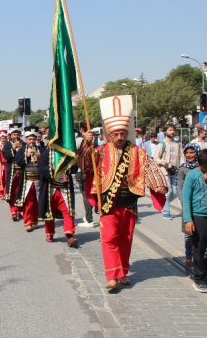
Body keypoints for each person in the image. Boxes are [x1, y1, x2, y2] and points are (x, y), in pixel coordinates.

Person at [78, 95, 168, 291]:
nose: (119, 137)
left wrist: (159, 184)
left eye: (122, 134)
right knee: (109, 238)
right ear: (110, 134)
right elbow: (85, 165)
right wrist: (86, 144)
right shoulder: (100, 151)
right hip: (109, 203)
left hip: (130, 202)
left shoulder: (137, 151)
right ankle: (112, 276)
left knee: (125, 239)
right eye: (116, 134)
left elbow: (150, 167)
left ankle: (123, 271)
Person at [182, 148, 207, 292]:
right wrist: (188, 220)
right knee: (199, 248)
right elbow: (185, 199)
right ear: (201, 165)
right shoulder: (192, 175)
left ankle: (204, 269)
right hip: (198, 216)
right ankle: (200, 279)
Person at [38, 147, 78, 247]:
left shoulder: (67, 154)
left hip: (64, 189)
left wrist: (72, 163)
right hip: (50, 189)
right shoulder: (45, 155)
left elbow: (75, 169)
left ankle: (70, 235)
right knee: (49, 212)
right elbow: (41, 169)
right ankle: (49, 233)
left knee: (68, 211)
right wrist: (55, 168)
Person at [177, 143, 201, 267]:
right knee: (188, 234)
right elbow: (179, 187)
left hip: (200, 205)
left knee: (201, 233)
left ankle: (200, 257)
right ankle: (188, 256)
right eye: (187, 152)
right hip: (187, 205)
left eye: (192, 152)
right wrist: (183, 201)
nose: (189, 155)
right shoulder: (182, 168)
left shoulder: (203, 167)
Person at [15, 131, 44, 232]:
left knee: (36, 201)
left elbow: (46, 163)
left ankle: (35, 221)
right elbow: (18, 162)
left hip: (38, 180)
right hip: (26, 180)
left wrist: (39, 156)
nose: (32, 141)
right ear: (26, 140)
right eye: (30, 139)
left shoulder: (41, 149)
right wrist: (26, 155)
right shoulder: (22, 150)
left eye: (33, 139)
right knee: (28, 201)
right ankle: (27, 221)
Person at [154, 123, 183, 220]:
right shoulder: (162, 144)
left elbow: (182, 157)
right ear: (166, 131)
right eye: (170, 130)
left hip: (176, 171)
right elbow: (156, 158)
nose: (172, 132)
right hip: (165, 171)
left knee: (175, 192)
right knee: (168, 191)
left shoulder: (178, 144)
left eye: (173, 130)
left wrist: (182, 166)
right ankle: (166, 212)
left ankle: (164, 205)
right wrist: (165, 163)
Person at [75, 123, 96, 228]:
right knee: (91, 194)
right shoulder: (94, 139)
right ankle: (89, 216)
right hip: (91, 172)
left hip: (82, 171)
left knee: (86, 196)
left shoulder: (79, 140)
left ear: (81, 129)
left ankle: (89, 219)